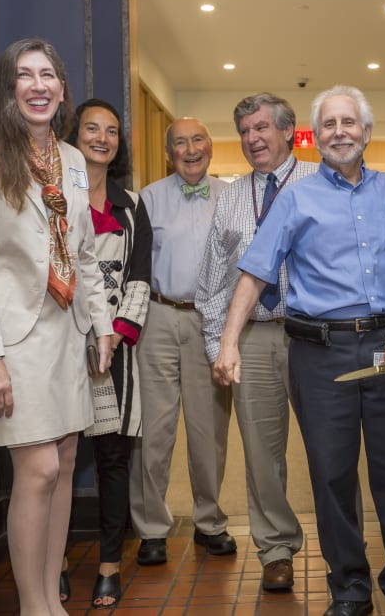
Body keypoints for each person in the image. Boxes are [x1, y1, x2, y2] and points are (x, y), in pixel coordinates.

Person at [215, 85, 385, 616]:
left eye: (349, 123)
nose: (339, 132)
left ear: (367, 132)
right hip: (319, 356)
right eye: (328, 124)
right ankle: (350, 591)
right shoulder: (295, 198)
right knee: (331, 477)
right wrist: (227, 342)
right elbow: (255, 271)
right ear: (316, 135)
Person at [0, 38, 114, 616]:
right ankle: (33, 607)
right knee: (38, 468)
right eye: (25, 75)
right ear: (8, 89)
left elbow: (86, 253)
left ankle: (51, 601)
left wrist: (103, 326)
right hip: (11, 341)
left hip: (66, 335)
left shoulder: (71, 159)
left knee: (65, 462)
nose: (39, 85)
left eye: (49, 74)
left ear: (62, 89)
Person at [194, 93, 316, 591]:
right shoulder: (230, 197)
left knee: (331, 447)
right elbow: (212, 282)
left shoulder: (319, 181)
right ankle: (276, 549)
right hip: (254, 339)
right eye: (244, 131)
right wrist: (218, 346)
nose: (253, 139)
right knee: (262, 453)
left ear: (289, 131)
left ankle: (345, 548)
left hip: (313, 337)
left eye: (262, 128)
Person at [128, 117, 234, 566]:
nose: (190, 150)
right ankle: (152, 528)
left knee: (209, 429)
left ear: (209, 147)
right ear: (169, 153)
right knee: (153, 430)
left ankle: (209, 522)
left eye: (197, 141)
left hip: (209, 322)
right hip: (158, 317)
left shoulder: (232, 198)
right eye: (179, 144)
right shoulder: (148, 199)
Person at [59, 98, 153, 608]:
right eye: (91, 128)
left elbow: (140, 275)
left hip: (114, 347)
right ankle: (53, 562)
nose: (102, 138)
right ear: (73, 133)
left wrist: (115, 332)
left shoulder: (131, 204)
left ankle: (110, 565)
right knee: (56, 455)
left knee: (112, 458)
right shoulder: (50, 193)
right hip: (56, 342)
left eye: (111, 131)